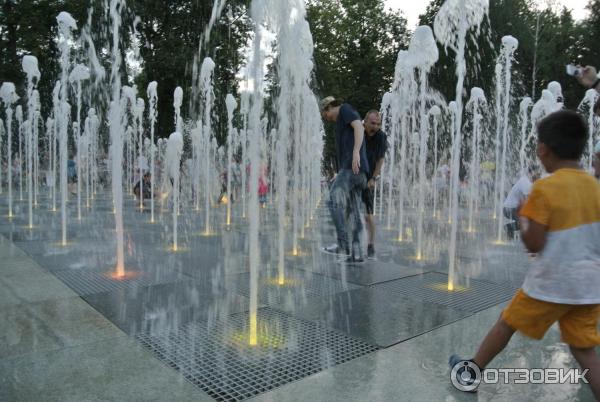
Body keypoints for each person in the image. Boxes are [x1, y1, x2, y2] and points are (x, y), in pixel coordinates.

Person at [449, 110, 600, 398]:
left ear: (543, 150)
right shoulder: (595, 187)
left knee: (507, 323)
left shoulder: (544, 188)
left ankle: (472, 372)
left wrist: (523, 219)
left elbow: (534, 244)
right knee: (585, 350)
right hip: (590, 287)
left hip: (550, 283)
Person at [320, 96, 369, 262]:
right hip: (358, 173)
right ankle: (357, 251)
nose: (327, 118)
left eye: (325, 115)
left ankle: (343, 244)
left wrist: (356, 152)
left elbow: (359, 127)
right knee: (355, 211)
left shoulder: (345, 109)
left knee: (332, 201)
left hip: (351, 169)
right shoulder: (342, 119)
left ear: (329, 108)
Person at [361, 110, 387, 259]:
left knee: (369, 215)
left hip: (368, 177)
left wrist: (373, 178)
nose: (376, 126)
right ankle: (346, 240)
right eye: (373, 123)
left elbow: (380, 160)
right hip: (354, 175)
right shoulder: (357, 131)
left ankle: (370, 244)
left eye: (378, 124)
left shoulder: (381, 137)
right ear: (365, 121)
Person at [502, 166, 539, 240]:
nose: (539, 174)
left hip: (512, 208)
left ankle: (510, 231)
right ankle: (509, 227)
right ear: (531, 173)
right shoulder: (525, 182)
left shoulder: (527, 181)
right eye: (537, 172)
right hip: (509, 209)